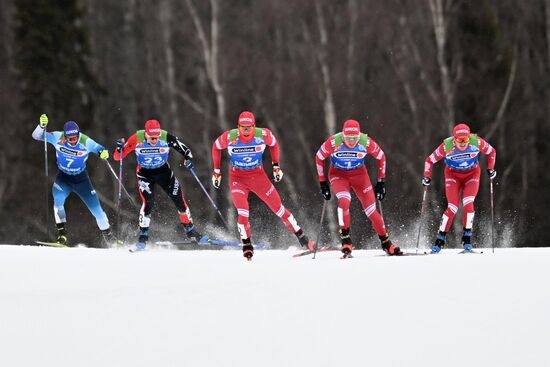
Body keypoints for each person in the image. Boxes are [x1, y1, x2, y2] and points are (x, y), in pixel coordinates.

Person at [211, 111, 315, 260]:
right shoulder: (230, 137)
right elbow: (216, 147)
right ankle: (247, 245)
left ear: (254, 126)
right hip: (237, 178)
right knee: (243, 211)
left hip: (258, 177)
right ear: (238, 127)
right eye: (243, 127)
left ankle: (304, 239)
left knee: (279, 209)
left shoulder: (263, 135)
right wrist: (216, 171)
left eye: (249, 127)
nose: (246, 130)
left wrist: (276, 166)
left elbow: (274, 145)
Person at [114, 119, 206, 251]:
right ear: (146, 134)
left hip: (164, 173)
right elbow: (118, 157)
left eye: (156, 137)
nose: (154, 140)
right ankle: (143, 236)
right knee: (149, 202)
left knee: (179, 200)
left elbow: (185, 150)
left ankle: (191, 232)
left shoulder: (166, 136)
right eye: (151, 137)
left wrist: (188, 159)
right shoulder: (136, 138)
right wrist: (119, 148)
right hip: (145, 174)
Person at [315, 119, 401, 258]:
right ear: (342, 136)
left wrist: (381, 182)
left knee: (372, 210)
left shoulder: (365, 142)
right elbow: (319, 157)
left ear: (359, 135)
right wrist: (323, 182)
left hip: (359, 175)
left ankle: (386, 243)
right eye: (348, 138)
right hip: (338, 174)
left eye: (355, 138)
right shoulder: (333, 142)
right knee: (344, 201)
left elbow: (381, 157)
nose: (351, 142)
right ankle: (346, 240)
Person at [32, 114, 115, 246]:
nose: (72, 140)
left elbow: (99, 148)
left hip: (81, 180)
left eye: (74, 138)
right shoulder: (58, 137)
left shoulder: (85, 141)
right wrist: (41, 126)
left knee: (97, 210)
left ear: (78, 134)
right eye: (69, 138)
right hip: (64, 177)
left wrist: (104, 152)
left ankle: (111, 240)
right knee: (58, 199)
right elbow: (36, 136)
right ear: (65, 135)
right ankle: (62, 236)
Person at [423, 122, 496, 253]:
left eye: (465, 139)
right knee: (452, 207)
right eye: (459, 140)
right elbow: (429, 160)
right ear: (454, 139)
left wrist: (491, 168)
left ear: (469, 138)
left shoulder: (477, 142)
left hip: (472, 175)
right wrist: (427, 176)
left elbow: (492, 152)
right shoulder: (446, 146)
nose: (463, 143)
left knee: (468, 203)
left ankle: (467, 239)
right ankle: (440, 240)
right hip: (452, 176)